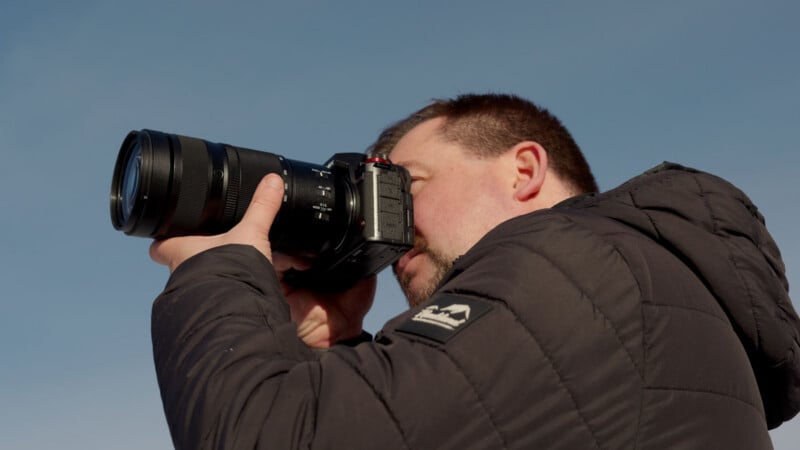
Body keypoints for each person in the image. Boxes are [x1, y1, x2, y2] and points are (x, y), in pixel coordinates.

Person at [149, 93, 800, 449]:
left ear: (523, 171)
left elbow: (262, 437)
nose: (391, 227)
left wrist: (216, 270)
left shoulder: (570, 265)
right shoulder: (634, 300)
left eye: (408, 190)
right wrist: (338, 347)